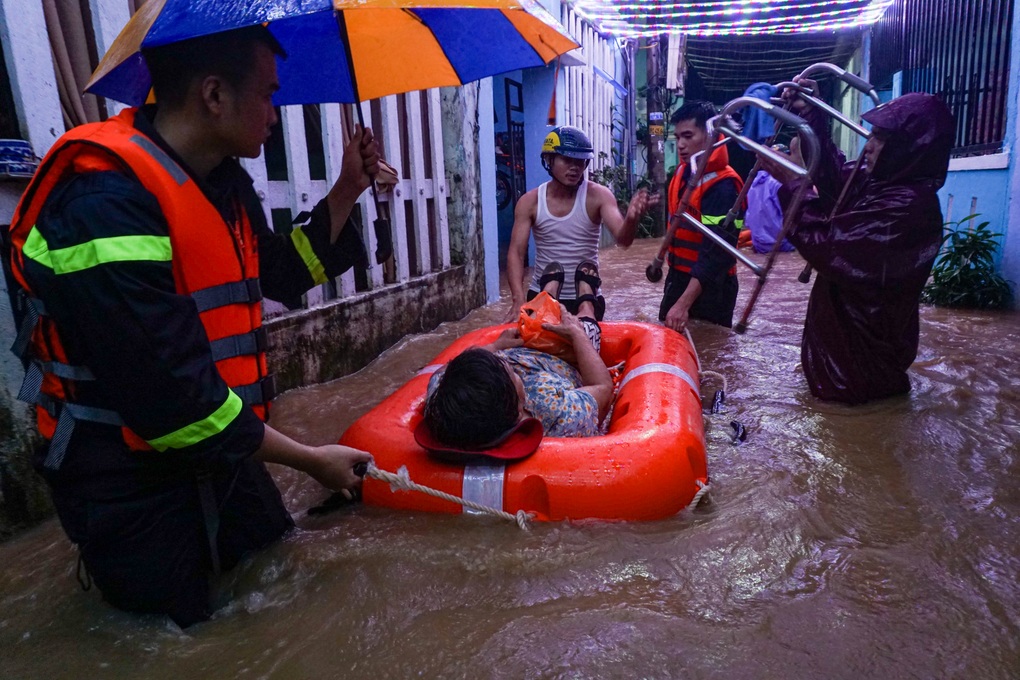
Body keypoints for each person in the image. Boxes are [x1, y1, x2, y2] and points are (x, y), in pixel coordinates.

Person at [5, 26, 376, 627]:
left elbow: (282, 271)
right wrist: (310, 459)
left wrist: (346, 190)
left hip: (221, 447)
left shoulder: (223, 182)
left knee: (280, 574)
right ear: (213, 95)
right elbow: (173, 397)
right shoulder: (103, 200)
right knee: (173, 635)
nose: (275, 116)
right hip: (130, 477)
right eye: (267, 95)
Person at [769, 80, 954, 404]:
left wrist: (794, 184)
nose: (868, 145)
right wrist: (813, 116)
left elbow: (826, 245)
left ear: (908, 147)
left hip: (858, 378)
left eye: (881, 138)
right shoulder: (881, 185)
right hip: (841, 366)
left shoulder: (908, 211)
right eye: (872, 134)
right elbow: (833, 185)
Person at [422, 268, 612, 455]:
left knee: (536, 318)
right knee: (584, 324)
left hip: (518, 349)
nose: (513, 369)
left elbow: (444, 370)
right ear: (518, 408)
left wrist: (496, 347)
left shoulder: (442, 400)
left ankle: (548, 294)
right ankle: (586, 301)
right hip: (565, 359)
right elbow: (602, 387)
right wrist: (577, 334)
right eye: (513, 373)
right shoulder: (553, 411)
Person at [504, 125, 657, 323]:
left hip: (587, 298)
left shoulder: (598, 196)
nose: (575, 167)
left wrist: (632, 218)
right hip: (541, 295)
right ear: (549, 160)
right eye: (567, 160)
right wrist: (517, 299)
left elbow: (624, 240)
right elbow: (516, 253)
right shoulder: (530, 202)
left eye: (581, 161)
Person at [659, 101, 745, 332]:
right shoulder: (682, 173)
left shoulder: (724, 186)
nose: (681, 145)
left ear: (711, 135)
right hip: (678, 278)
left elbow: (718, 253)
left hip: (713, 288)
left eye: (688, 136)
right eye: (677, 138)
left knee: (711, 348)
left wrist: (684, 303)